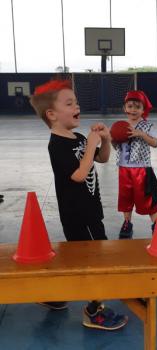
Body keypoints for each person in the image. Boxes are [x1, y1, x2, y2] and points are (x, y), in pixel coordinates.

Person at [29, 79, 128, 331]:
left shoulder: (79, 137)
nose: (77, 106)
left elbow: (103, 159)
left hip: (91, 210)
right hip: (77, 215)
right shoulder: (57, 144)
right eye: (69, 103)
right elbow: (78, 175)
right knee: (95, 260)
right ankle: (93, 311)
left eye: (77, 102)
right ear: (52, 114)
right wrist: (91, 145)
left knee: (79, 258)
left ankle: (55, 294)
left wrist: (104, 140)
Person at [112, 90, 157, 239]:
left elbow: (155, 143)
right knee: (126, 197)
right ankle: (127, 222)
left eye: (137, 107)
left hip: (141, 168)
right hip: (124, 168)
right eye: (130, 106)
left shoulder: (147, 126)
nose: (133, 109)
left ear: (143, 110)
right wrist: (113, 139)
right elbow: (116, 147)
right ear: (124, 108)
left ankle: (156, 223)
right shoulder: (120, 126)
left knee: (147, 196)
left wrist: (141, 134)